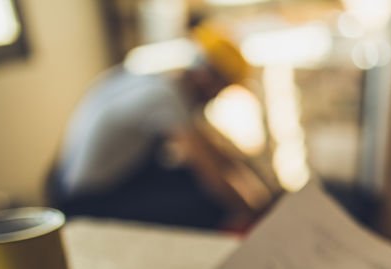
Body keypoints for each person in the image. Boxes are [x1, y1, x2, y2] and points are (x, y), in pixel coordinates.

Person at [49, 24, 272, 230]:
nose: (216, 97)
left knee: (181, 175)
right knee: (206, 203)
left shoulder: (151, 80)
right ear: (207, 78)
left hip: (64, 182)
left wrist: (260, 186)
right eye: (221, 89)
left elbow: (213, 148)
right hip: (87, 201)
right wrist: (256, 215)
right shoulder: (164, 97)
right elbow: (210, 171)